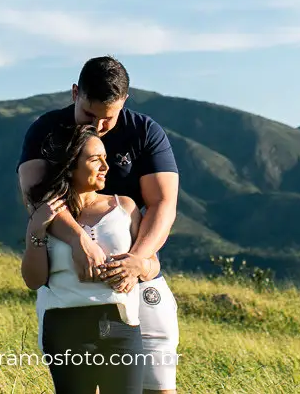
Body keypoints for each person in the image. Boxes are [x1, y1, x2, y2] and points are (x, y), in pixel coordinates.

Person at [18, 57, 181, 394]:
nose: (99, 125)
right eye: (89, 115)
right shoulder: (46, 130)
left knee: (160, 385)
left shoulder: (144, 131)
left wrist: (138, 260)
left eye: (109, 117)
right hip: (69, 296)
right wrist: (79, 241)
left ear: (125, 101)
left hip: (138, 277)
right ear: (75, 93)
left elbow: (163, 203)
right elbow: (37, 198)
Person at [22, 124, 155, 393]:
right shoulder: (46, 214)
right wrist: (36, 231)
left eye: (105, 158)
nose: (106, 166)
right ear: (70, 166)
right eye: (95, 160)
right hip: (65, 328)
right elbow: (33, 280)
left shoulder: (124, 207)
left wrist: (139, 266)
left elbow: (152, 266)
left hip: (121, 326)